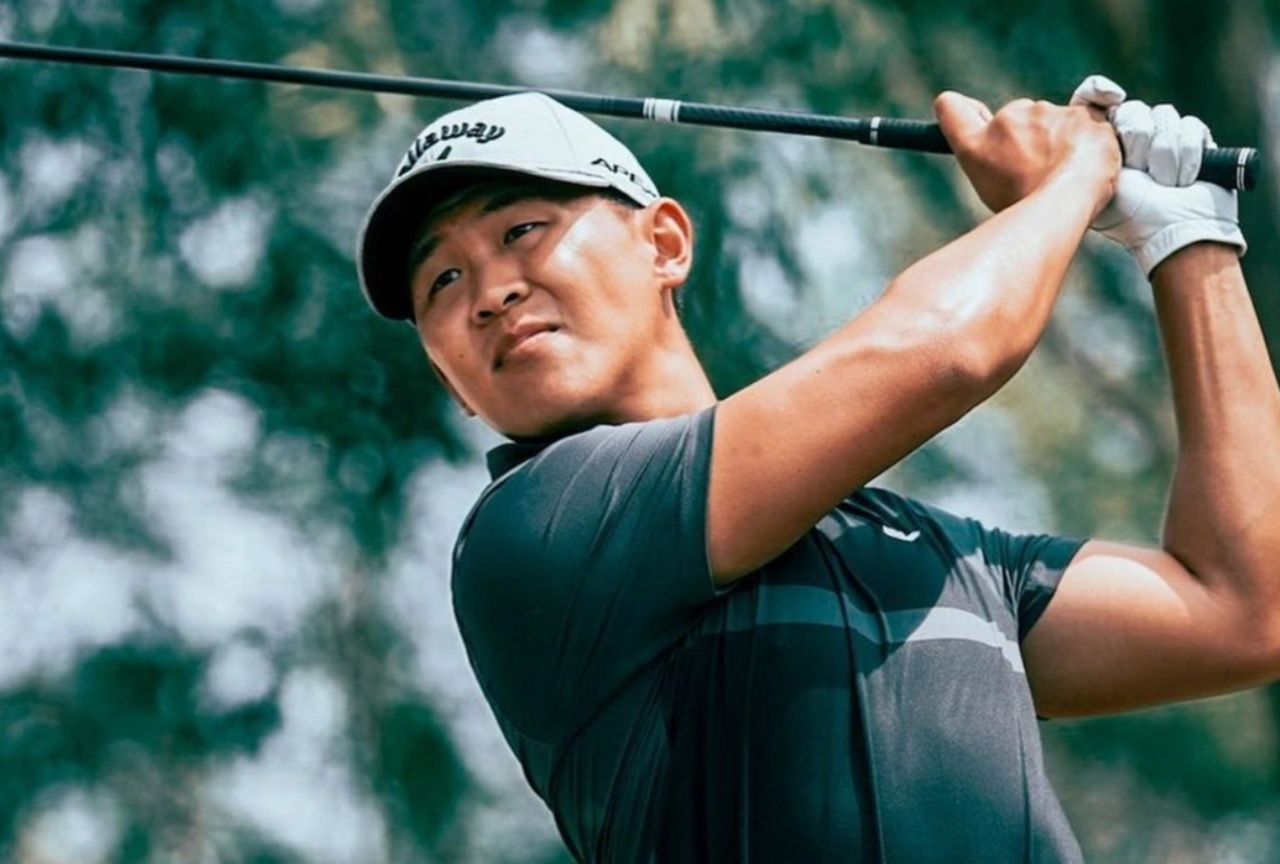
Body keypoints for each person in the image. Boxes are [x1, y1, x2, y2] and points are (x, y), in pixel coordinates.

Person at [355, 75, 1277, 863]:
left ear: (665, 244)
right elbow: (949, 348)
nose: (491, 291)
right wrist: (1077, 175)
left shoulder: (925, 549)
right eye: (442, 281)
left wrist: (1187, 240)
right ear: (452, 384)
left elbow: (1242, 610)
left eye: (522, 230)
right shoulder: (537, 529)